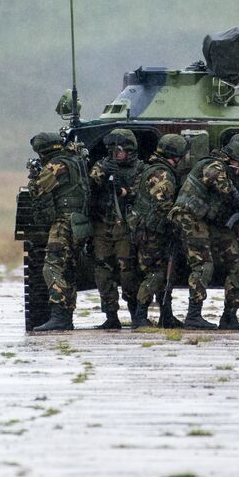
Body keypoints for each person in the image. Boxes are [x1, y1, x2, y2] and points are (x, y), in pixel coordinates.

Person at [170, 139, 239, 329]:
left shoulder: (225, 170)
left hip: (208, 222)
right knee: (204, 265)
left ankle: (229, 314)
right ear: (232, 160)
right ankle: (193, 315)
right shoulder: (213, 164)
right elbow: (224, 187)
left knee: (237, 260)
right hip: (189, 218)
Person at [28, 131, 91, 332]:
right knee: (69, 269)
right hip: (78, 222)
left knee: (52, 267)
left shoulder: (56, 166)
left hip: (63, 222)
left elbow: (38, 189)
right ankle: (65, 316)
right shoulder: (75, 160)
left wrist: (34, 176)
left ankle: (60, 316)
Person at [131, 133, 189, 328]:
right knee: (156, 274)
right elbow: (162, 205)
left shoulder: (151, 169)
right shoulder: (162, 175)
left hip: (149, 229)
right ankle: (140, 316)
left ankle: (166, 315)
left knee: (165, 275)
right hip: (153, 232)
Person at [88, 129, 144, 329]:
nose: (115, 154)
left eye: (118, 150)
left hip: (125, 226)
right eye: (111, 150)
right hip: (103, 224)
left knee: (127, 271)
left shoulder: (139, 169)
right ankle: (111, 315)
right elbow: (91, 185)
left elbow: (140, 194)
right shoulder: (103, 165)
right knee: (102, 271)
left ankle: (135, 311)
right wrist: (103, 175)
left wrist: (123, 190)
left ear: (129, 151)